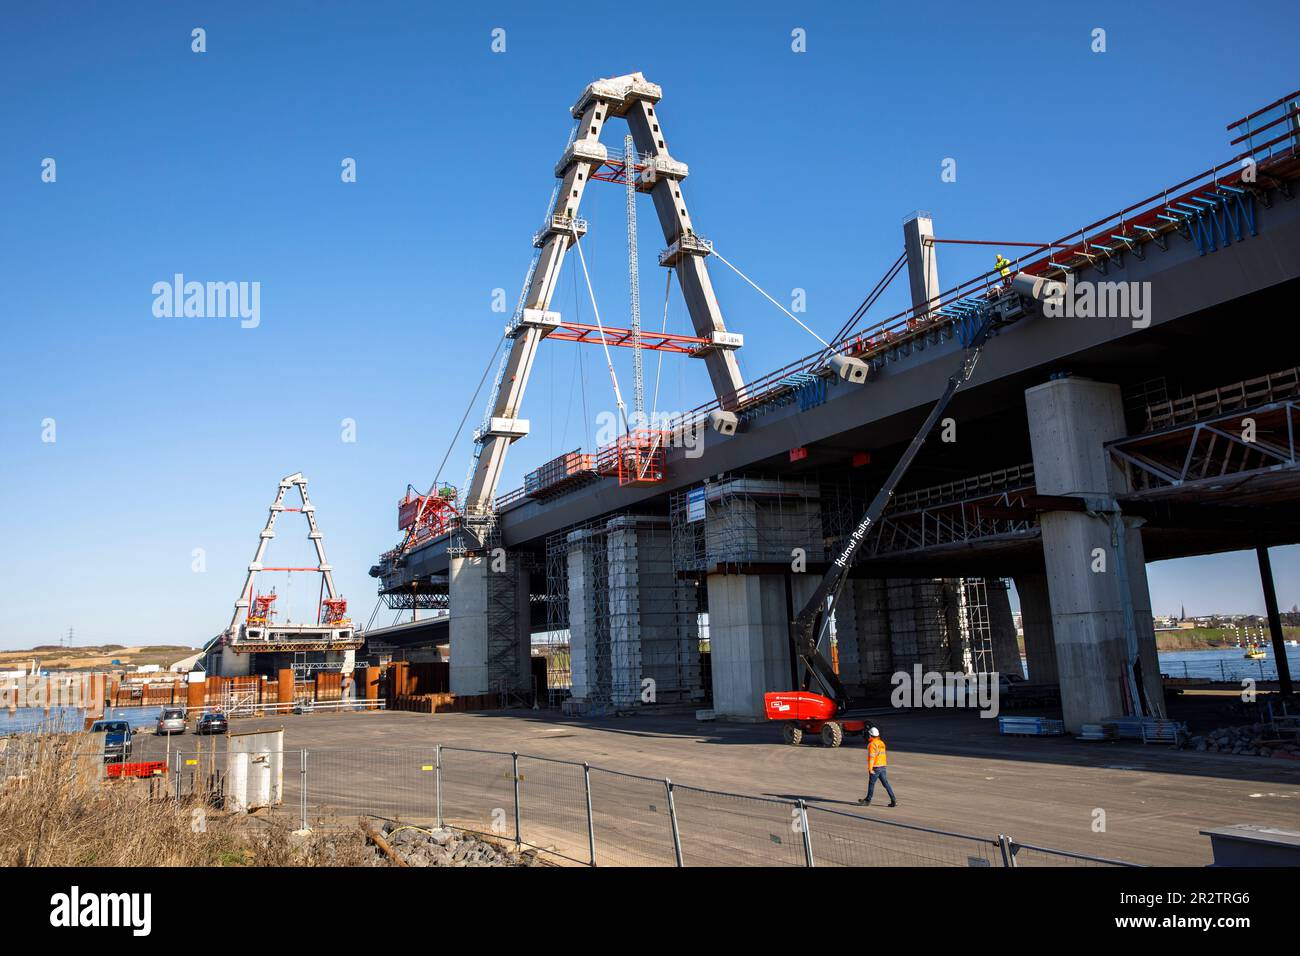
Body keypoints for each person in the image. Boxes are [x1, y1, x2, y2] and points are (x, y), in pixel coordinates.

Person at [858, 726, 897, 807]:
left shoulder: (872, 744)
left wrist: (870, 768)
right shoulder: (881, 743)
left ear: (870, 735)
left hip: (875, 767)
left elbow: (872, 757)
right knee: (886, 784)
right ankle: (894, 800)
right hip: (883, 766)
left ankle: (867, 800)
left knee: (871, 784)